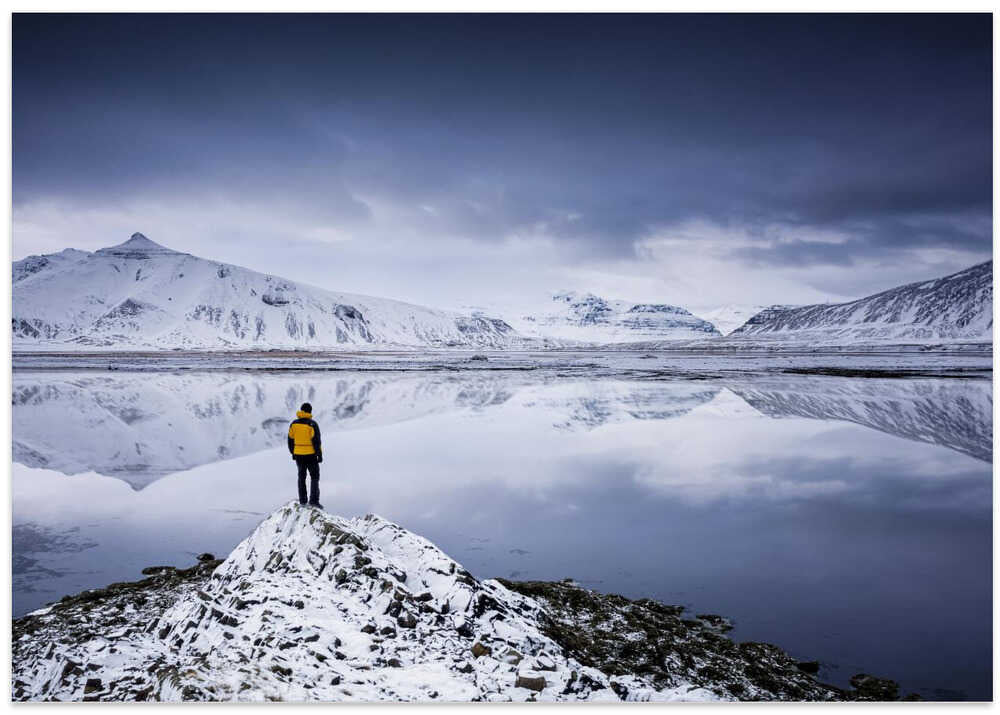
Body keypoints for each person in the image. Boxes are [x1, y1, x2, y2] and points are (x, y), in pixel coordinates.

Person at [288, 402, 323, 508]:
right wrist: (319, 455)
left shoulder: (294, 424)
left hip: (298, 455)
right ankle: (314, 501)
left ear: (301, 410)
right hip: (311, 455)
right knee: (314, 477)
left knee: (301, 477)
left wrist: (293, 452)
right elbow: (316, 441)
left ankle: (303, 501)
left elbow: (290, 440)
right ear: (310, 411)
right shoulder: (312, 424)